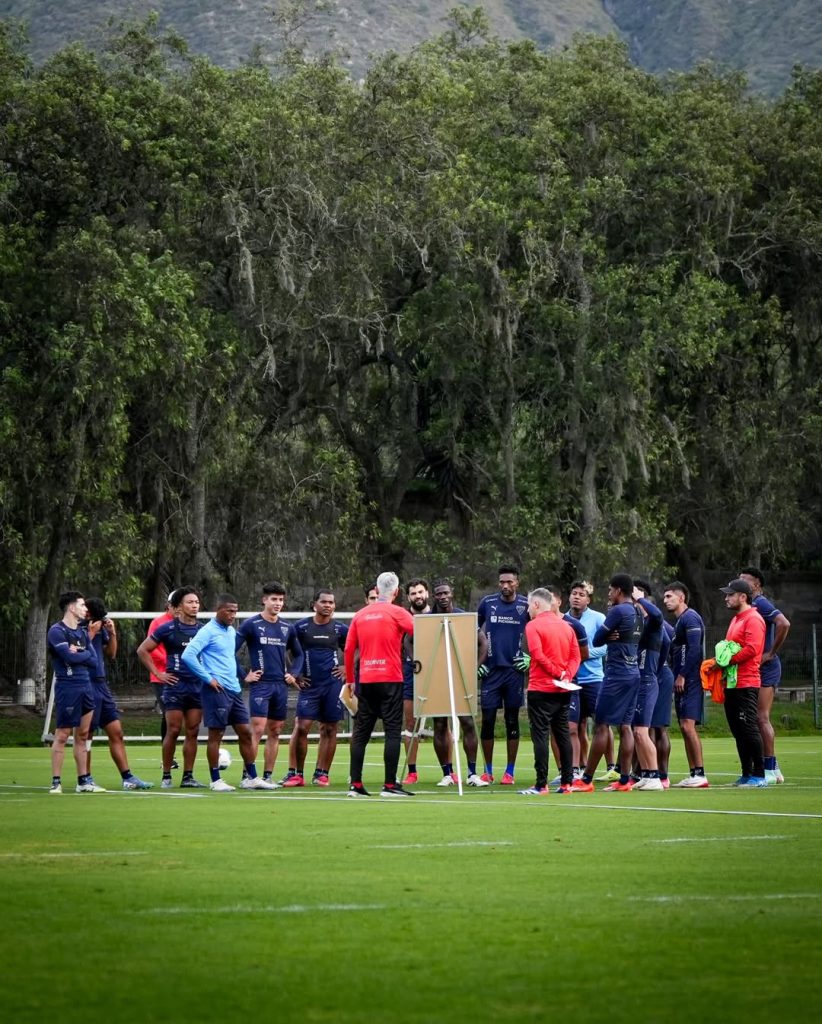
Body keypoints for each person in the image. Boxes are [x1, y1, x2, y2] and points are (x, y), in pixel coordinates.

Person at [181, 594, 275, 791]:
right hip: (216, 690)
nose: (232, 615)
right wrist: (208, 678)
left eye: (235, 611)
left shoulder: (231, 631)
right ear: (218, 610)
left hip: (233, 690)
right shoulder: (207, 631)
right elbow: (188, 655)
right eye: (229, 611)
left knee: (246, 732)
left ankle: (251, 778)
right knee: (216, 734)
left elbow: (229, 657)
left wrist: (243, 676)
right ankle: (215, 780)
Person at [343, 571, 415, 798]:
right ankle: (390, 785)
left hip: (366, 679)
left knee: (361, 733)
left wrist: (350, 680)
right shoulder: (398, 612)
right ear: (396, 591)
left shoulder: (360, 615)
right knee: (392, 731)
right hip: (390, 678)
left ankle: (355, 784)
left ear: (376, 589)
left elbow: (348, 649)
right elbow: (420, 632)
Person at [572, 574, 643, 792]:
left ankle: (586, 780)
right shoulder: (638, 611)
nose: (609, 594)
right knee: (626, 726)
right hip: (633, 672)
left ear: (619, 590)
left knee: (602, 725)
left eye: (611, 590)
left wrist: (610, 633)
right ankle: (624, 780)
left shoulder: (618, 611)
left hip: (616, 674)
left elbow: (597, 640)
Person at [137, 587, 207, 788]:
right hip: (175, 686)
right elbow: (142, 650)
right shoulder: (167, 628)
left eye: (196, 602)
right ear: (178, 607)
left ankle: (188, 777)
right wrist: (158, 673)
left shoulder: (204, 630)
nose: (194, 605)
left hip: (197, 686)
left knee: (193, 731)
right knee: (173, 730)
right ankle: (166, 776)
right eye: (189, 602)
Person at [234, 582, 304, 784]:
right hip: (261, 685)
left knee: (275, 731)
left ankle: (267, 776)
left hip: (280, 686)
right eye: (274, 599)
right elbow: (229, 651)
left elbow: (299, 655)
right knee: (257, 729)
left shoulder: (287, 627)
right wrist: (244, 675)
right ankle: (248, 776)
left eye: (281, 599)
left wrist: (293, 674)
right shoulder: (251, 624)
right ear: (264, 600)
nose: (278, 603)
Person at [425, 580, 490, 788]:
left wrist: (473, 667)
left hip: (461, 677)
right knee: (440, 724)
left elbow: (483, 643)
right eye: (438, 594)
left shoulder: (464, 617)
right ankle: (447, 774)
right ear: (434, 597)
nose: (442, 597)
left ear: (451, 593)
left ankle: (472, 773)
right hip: (437, 678)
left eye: (445, 593)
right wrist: (417, 663)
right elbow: (408, 640)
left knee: (468, 722)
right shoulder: (428, 619)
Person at [281, 589, 348, 787]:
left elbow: (355, 648)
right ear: (314, 604)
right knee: (302, 726)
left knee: (330, 728)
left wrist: (346, 667)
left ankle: (322, 773)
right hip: (309, 686)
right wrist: (295, 673)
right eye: (324, 602)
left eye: (331, 602)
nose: (328, 605)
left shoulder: (340, 629)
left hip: (332, 684)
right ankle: (296, 774)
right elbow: (283, 650)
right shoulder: (301, 627)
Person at [85, 598, 153, 790]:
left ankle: (128, 778)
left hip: (101, 684)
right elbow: (78, 650)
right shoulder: (79, 629)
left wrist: (112, 633)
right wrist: (91, 633)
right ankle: (85, 778)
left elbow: (111, 654)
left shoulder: (101, 628)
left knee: (116, 732)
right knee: (86, 735)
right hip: (85, 684)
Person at [519, 588, 581, 795]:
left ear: (536, 604)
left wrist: (558, 673)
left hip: (541, 688)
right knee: (562, 733)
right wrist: (567, 675)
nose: (528, 610)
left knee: (540, 735)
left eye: (529, 605)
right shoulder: (566, 626)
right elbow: (576, 656)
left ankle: (541, 784)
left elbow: (537, 654)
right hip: (563, 689)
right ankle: (567, 782)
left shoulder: (533, 625)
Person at [476, 565, 530, 785]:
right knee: (488, 720)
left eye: (509, 582)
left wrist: (529, 658)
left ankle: (510, 772)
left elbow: (538, 632)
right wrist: (477, 662)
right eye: (502, 582)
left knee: (511, 720)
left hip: (514, 671)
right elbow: (472, 631)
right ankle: (487, 771)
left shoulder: (526, 605)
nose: (505, 585)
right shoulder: (487, 603)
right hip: (491, 672)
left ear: (517, 582)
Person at [46, 591, 105, 794]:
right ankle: (56, 782)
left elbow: (94, 660)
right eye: (81, 605)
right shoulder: (56, 631)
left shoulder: (82, 632)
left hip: (86, 686)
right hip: (67, 687)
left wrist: (79, 651)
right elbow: (68, 658)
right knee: (62, 734)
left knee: (82, 735)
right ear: (71, 608)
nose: (85, 609)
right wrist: (82, 654)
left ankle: (83, 781)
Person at [739, 567, 790, 785]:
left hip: (766, 667)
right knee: (752, 719)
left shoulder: (761, 603)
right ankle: (772, 767)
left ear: (757, 584)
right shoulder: (750, 607)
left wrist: (770, 653)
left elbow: (784, 623)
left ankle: (768, 768)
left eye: (745, 580)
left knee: (761, 717)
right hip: (754, 667)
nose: (741, 583)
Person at [719, 578, 767, 787]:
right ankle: (746, 773)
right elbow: (731, 646)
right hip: (732, 682)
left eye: (730, 595)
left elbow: (752, 649)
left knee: (748, 727)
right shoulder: (736, 619)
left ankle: (759, 774)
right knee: (738, 729)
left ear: (743, 597)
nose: (726, 598)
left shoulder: (753, 619)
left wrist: (726, 660)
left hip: (746, 682)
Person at [663, 581, 709, 788]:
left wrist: (682, 675)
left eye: (669, 596)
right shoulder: (680, 621)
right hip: (681, 680)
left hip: (690, 680)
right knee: (683, 727)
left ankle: (700, 774)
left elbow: (695, 650)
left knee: (688, 726)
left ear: (681, 598)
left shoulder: (690, 617)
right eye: (665, 597)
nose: (666, 600)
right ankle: (694, 774)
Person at [566, 580, 608, 778]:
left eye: (581, 595)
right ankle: (580, 767)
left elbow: (606, 647)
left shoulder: (598, 618)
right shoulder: (563, 619)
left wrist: (585, 654)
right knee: (577, 725)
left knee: (602, 723)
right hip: (573, 680)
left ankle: (611, 767)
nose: (576, 597)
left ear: (588, 600)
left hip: (594, 678)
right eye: (574, 593)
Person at [629, 581, 664, 791]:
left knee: (642, 732)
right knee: (637, 732)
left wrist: (640, 599)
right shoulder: (641, 628)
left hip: (648, 682)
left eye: (640, 607)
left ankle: (655, 776)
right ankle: (646, 773)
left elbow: (657, 615)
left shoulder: (654, 623)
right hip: (639, 681)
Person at [401, 578, 431, 785]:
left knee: (442, 723)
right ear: (408, 597)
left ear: (426, 593)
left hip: (434, 672)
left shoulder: (436, 615)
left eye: (420, 592)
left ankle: (448, 772)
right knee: (410, 723)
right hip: (409, 674)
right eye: (413, 593)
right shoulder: (402, 617)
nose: (418, 596)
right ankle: (412, 772)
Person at [146, 592, 176, 765]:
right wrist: (172, 661)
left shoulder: (186, 624)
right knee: (168, 715)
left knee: (182, 718)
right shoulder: (158, 622)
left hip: (183, 677)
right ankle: (168, 758)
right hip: (162, 676)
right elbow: (150, 648)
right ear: (169, 605)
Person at [650, 617, 676, 788]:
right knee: (647, 726)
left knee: (658, 726)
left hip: (660, 674)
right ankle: (648, 772)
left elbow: (669, 642)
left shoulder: (659, 623)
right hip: (648, 674)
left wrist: (661, 664)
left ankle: (662, 774)